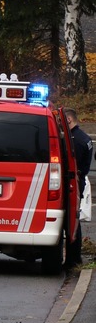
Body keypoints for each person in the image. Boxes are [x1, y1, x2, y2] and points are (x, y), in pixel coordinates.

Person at [64, 108, 92, 268]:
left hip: (74, 182)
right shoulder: (84, 138)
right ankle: (74, 257)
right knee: (74, 219)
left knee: (71, 221)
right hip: (79, 180)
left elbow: (72, 165)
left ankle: (73, 259)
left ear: (68, 120)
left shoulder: (75, 140)